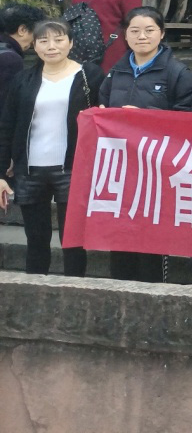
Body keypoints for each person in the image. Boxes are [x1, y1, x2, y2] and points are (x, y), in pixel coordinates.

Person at [100, 7, 192, 283]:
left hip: (158, 170)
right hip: (121, 169)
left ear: (162, 34)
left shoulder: (177, 73)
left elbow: (191, 121)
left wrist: (147, 118)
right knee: (120, 234)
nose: (141, 36)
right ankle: (119, 292)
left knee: (151, 239)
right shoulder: (116, 71)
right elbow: (102, 105)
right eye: (134, 31)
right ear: (125, 35)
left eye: (149, 30)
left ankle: (152, 296)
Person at [0, 20, 103, 277]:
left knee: (73, 241)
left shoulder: (90, 75)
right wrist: (1, 173)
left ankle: (74, 290)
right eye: (43, 41)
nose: (51, 46)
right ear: (34, 45)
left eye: (58, 40)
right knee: (36, 239)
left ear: (71, 42)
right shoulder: (23, 79)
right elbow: (7, 126)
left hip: (74, 167)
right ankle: (35, 290)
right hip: (30, 169)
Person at [0, 2, 44, 101]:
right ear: (22, 30)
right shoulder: (10, 59)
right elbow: (7, 102)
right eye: (36, 32)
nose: (34, 41)